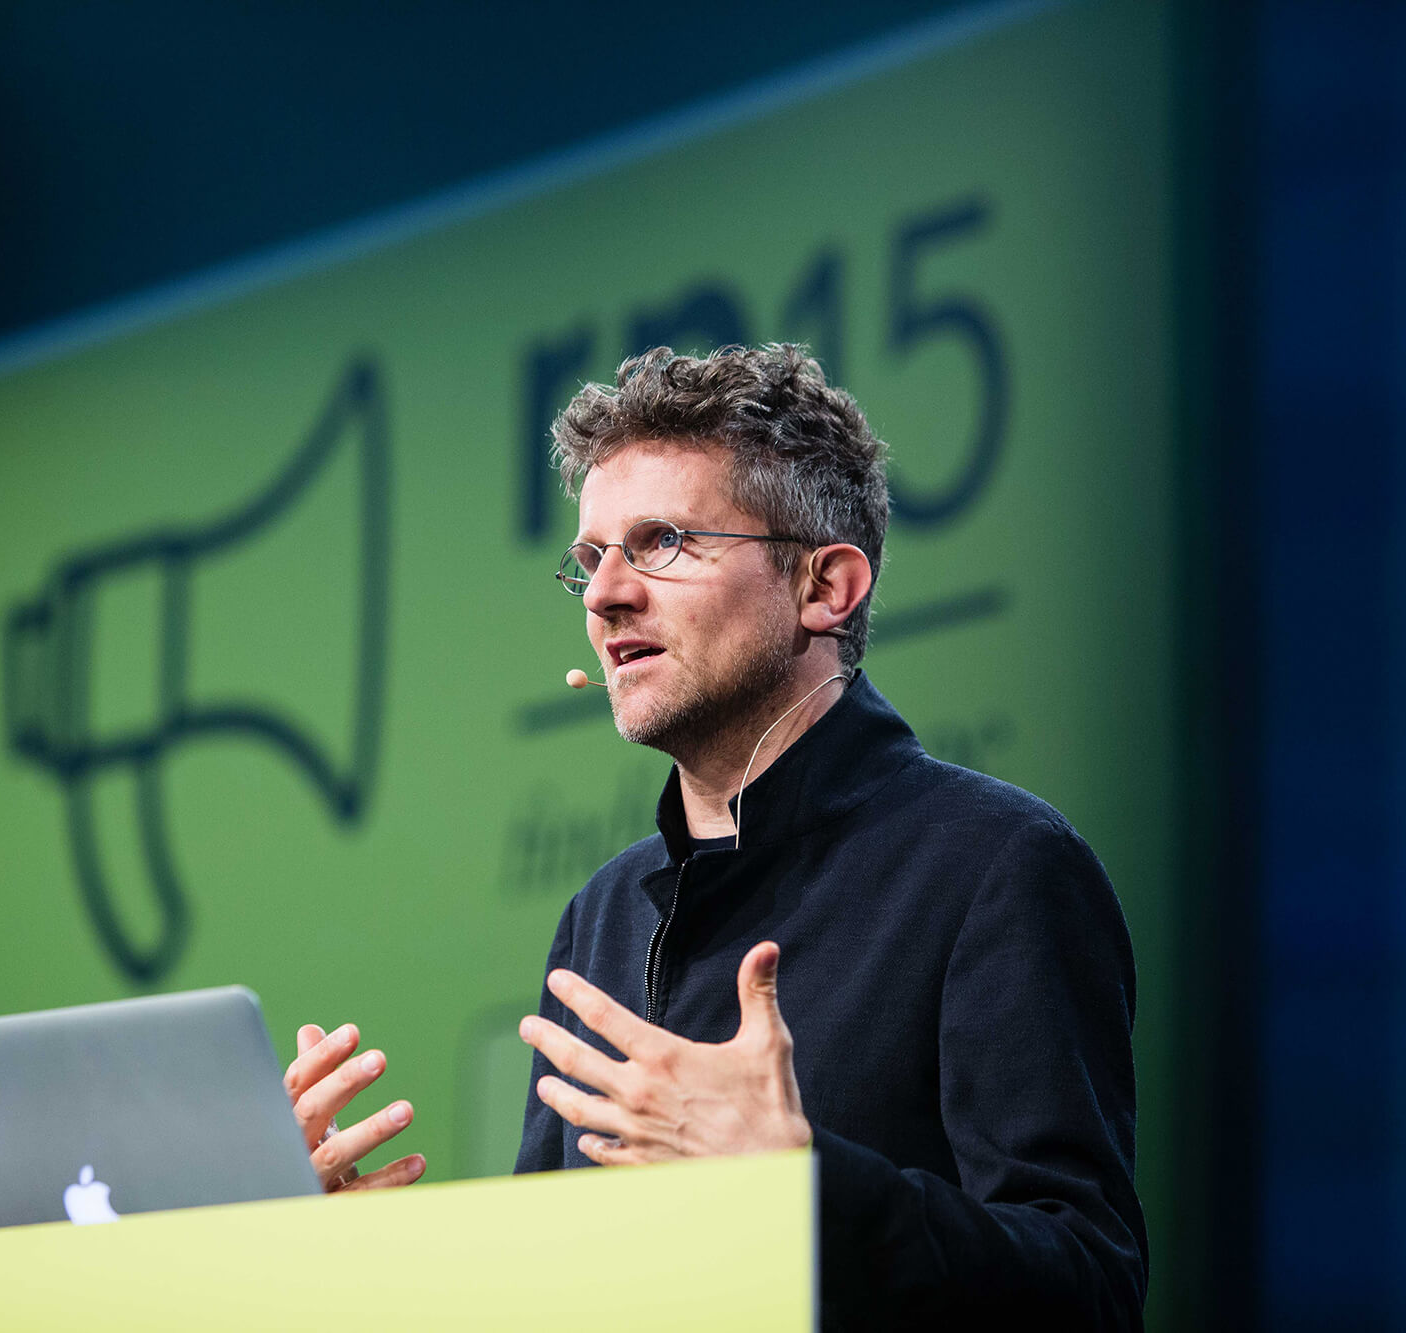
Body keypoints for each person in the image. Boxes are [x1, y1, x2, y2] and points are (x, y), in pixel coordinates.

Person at [280, 343, 1145, 1328]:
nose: (605, 595)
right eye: (589, 560)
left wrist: (802, 1187)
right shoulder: (601, 913)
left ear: (824, 587)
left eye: (661, 543)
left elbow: (1089, 1289)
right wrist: (349, 1257)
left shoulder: (996, 864)